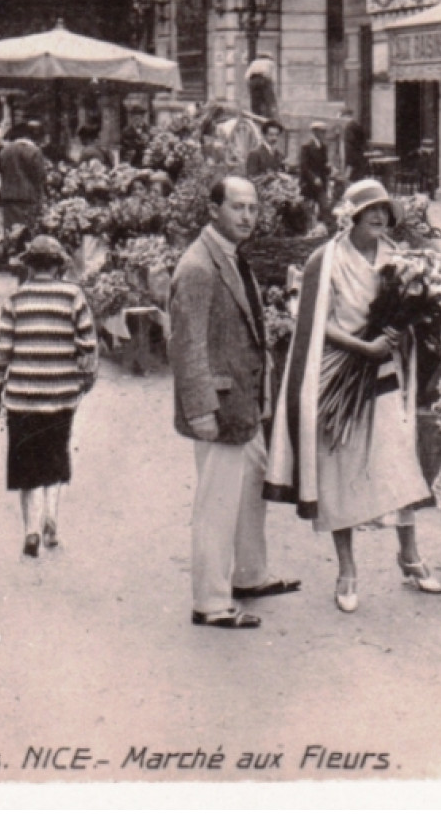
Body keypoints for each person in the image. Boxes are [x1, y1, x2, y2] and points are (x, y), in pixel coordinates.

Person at [265, 179, 441, 614]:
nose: (379, 218)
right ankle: (347, 571)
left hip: (384, 371)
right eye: (370, 211)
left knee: (397, 461)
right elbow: (313, 320)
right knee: (339, 470)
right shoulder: (324, 260)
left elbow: (412, 313)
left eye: (384, 211)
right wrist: (362, 347)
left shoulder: (400, 260)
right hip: (336, 371)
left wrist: (399, 332)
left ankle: (410, 556)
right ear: (353, 216)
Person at [168, 176, 298, 629]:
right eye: (237, 207)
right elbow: (187, 346)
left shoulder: (229, 258)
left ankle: (250, 574)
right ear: (213, 209)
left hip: (244, 402)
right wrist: (201, 409)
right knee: (217, 504)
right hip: (220, 407)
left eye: (252, 208)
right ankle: (210, 602)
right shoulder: (199, 267)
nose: (247, 216)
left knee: (250, 490)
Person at [0, 236, 98, 558]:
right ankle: (52, 516)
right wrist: (85, 378)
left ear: (29, 265)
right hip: (61, 394)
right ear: (58, 265)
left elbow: (3, 350)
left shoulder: (15, 298)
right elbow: (88, 344)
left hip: (23, 396)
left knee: (26, 466)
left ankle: (31, 530)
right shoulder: (73, 295)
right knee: (55, 456)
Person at [0, 121, 49, 237]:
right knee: (28, 233)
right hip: (28, 198)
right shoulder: (34, 151)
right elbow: (40, 176)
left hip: (9, 198)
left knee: (11, 233)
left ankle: (10, 253)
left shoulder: (5, 151)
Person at [298, 121, 333, 223]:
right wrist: (313, 178)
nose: (324, 134)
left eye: (324, 132)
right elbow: (304, 166)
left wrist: (330, 169)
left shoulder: (323, 147)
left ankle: (324, 229)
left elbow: (324, 165)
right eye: (322, 132)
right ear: (315, 132)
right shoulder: (307, 147)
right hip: (309, 184)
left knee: (325, 208)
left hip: (321, 184)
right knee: (308, 210)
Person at [341, 116, 369, 182]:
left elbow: (350, 160)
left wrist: (346, 175)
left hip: (352, 166)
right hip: (359, 163)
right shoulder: (356, 126)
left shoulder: (349, 128)